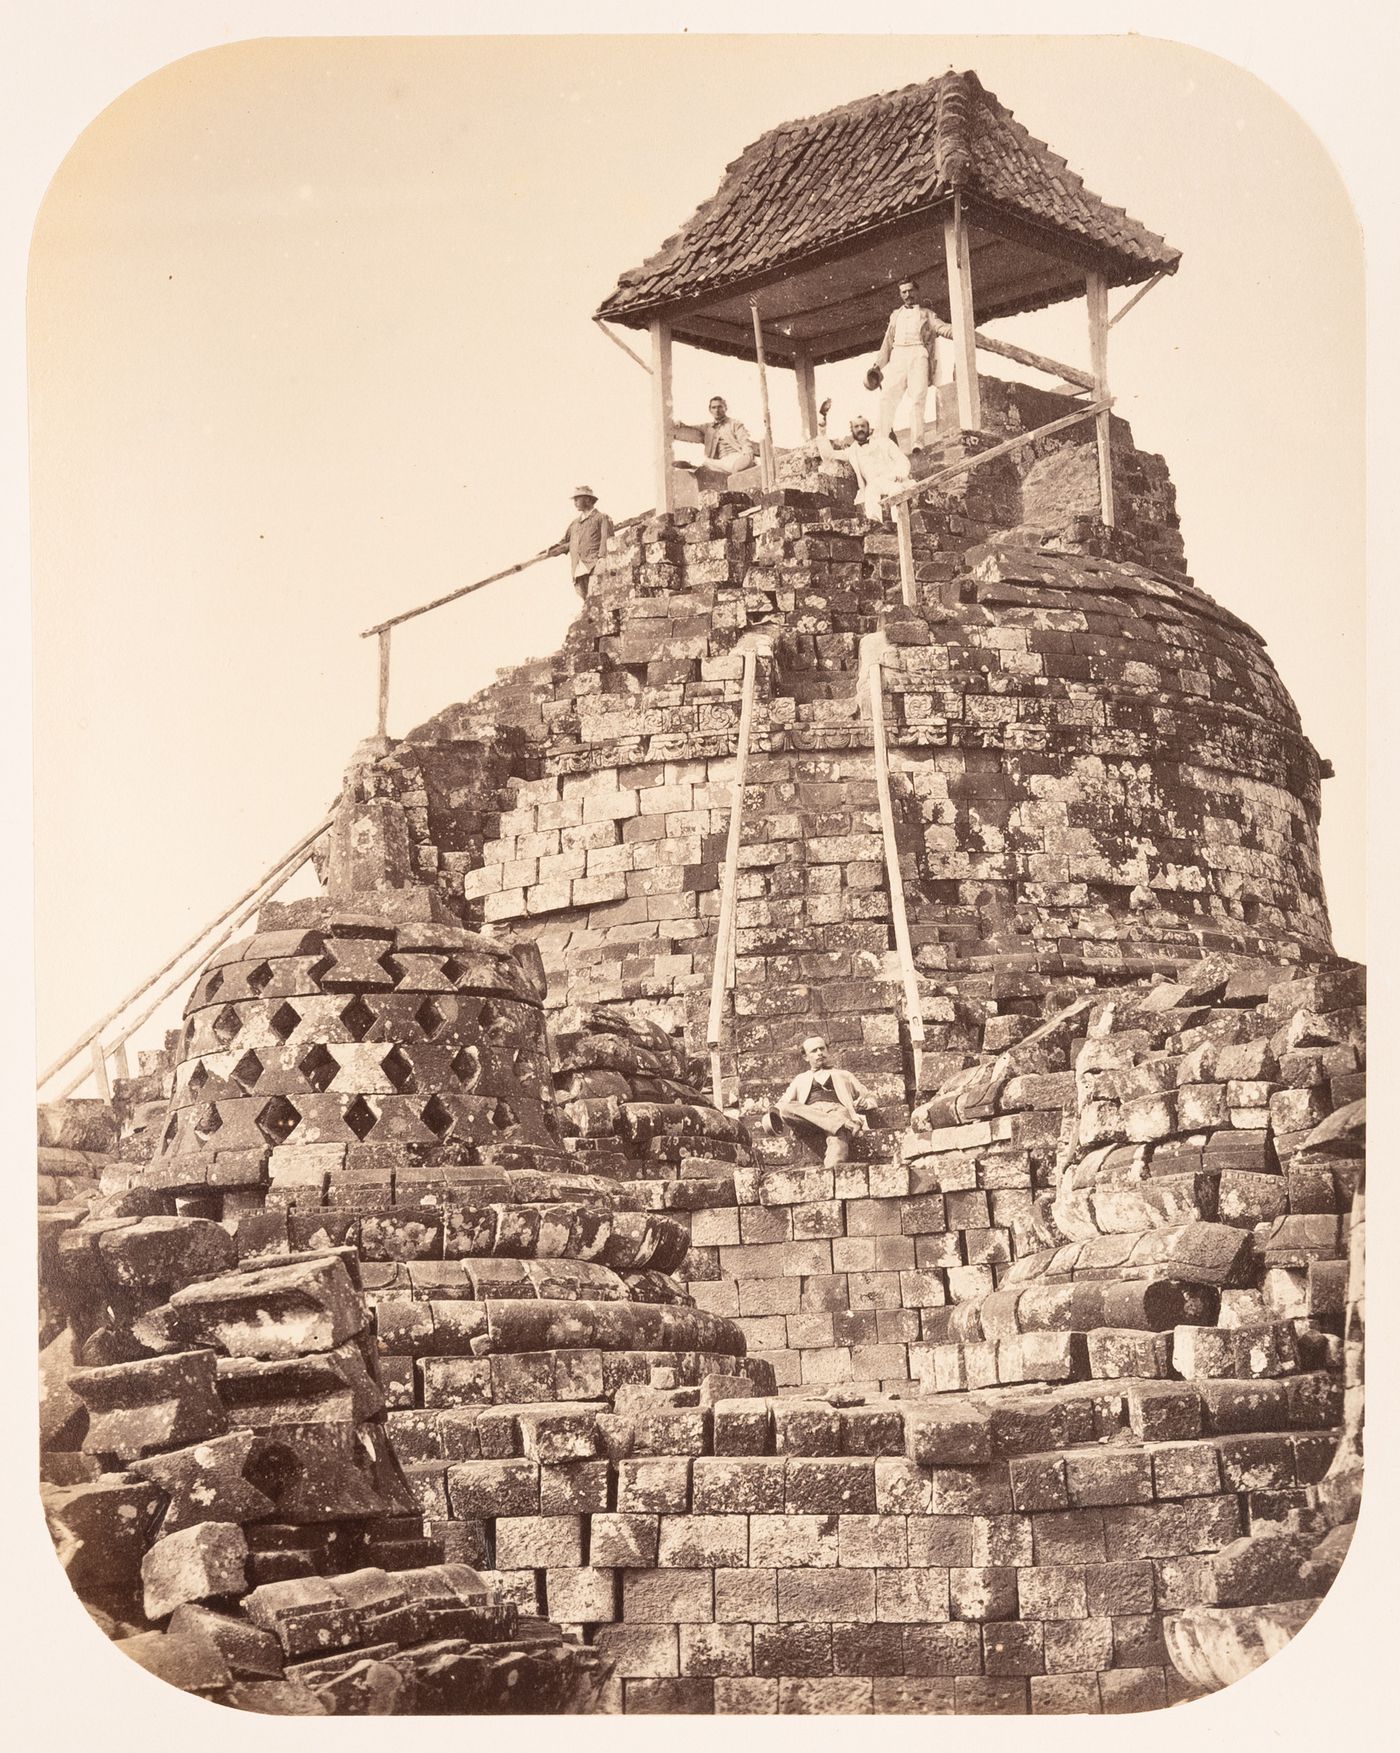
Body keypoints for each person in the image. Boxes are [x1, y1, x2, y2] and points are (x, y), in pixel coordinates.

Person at [767, 1036, 878, 1168]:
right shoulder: (800, 1079)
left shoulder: (844, 1074)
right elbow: (782, 1104)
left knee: (837, 1146)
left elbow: (870, 1097)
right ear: (806, 1057)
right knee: (786, 1108)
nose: (819, 1053)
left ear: (827, 1051)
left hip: (837, 1110)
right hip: (811, 1116)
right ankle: (844, 1124)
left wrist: (865, 1103)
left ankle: (832, 1172)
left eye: (822, 1049)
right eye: (814, 1051)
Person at [871, 278, 938, 452]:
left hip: (918, 353)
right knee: (887, 397)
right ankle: (880, 439)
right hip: (898, 353)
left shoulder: (927, 314)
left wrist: (954, 331)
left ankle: (917, 443)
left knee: (917, 398)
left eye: (910, 291)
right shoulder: (896, 315)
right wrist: (878, 365)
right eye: (904, 292)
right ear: (901, 294)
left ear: (917, 291)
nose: (908, 295)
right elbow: (887, 342)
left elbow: (940, 327)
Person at [817, 407, 911, 522]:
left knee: (896, 491)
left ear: (869, 428)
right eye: (856, 426)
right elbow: (829, 455)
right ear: (852, 430)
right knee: (870, 490)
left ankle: (898, 524)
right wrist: (822, 430)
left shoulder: (885, 442)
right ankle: (876, 524)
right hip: (874, 486)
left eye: (863, 426)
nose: (860, 429)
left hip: (893, 480)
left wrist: (898, 474)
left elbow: (902, 460)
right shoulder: (852, 452)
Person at [672, 396, 756, 486]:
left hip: (735, 457)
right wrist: (680, 424)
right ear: (710, 410)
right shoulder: (708, 427)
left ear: (725, 408)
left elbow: (744, 441)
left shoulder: (735, 424)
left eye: (720, 407)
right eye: (714, 407)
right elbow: (691, 428)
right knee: (704, 463)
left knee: (737, 466)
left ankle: (693, 468)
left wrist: (747, 455)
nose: (717, 410)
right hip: (720, 462)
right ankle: (691, 467)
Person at [556, 486, 613, 599]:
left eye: (577, 499)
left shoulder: (601, 518)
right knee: (586, 602)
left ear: (587, 499)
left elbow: (607, 539)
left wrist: (602, 559)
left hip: (594, 566)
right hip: (578, 569)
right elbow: (564, 543)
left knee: (599, 599)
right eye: (574, 500)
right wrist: (551, 550)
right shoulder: (575, 524)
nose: (575, 502)